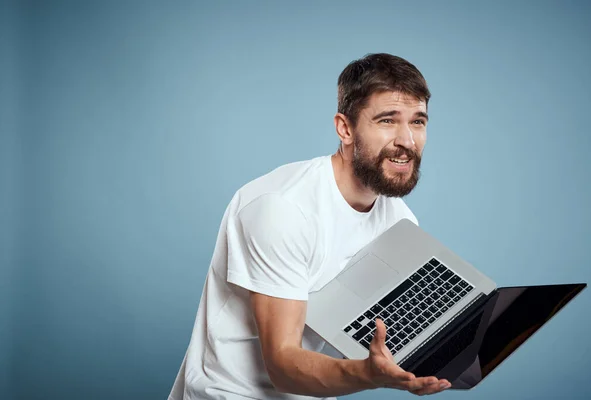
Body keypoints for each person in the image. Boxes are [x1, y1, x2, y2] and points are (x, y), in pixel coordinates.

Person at [168, 53, 451, 400]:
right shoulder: (281, 208)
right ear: (345, 128)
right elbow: (283, 363)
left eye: (418, 122)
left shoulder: (402, 223)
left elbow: (373, 334)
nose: (407, 141)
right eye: (387, 121)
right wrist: (368, 374)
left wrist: (455, 340)